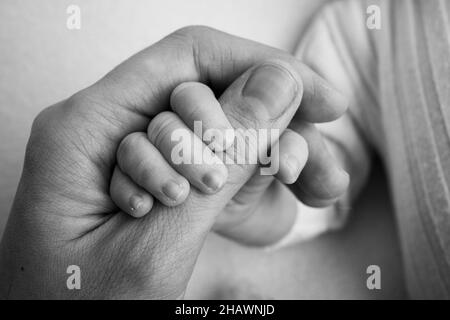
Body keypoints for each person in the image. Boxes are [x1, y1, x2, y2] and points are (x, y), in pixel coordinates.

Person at [0, 26, 348, 299]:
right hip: (258, 189)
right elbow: (338, 140)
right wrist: (279, 212)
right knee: (175, 130)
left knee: (174, 138)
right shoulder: (358, 30)